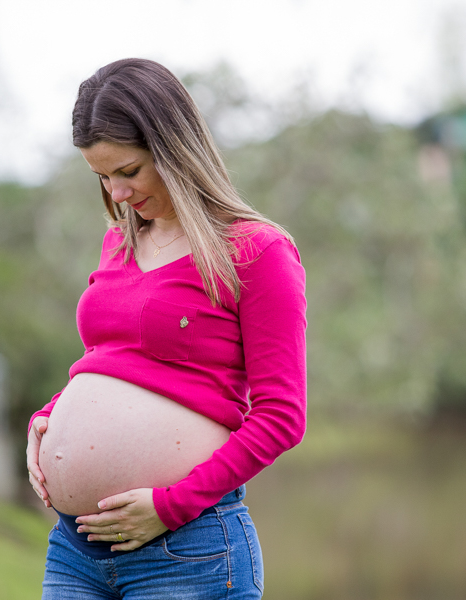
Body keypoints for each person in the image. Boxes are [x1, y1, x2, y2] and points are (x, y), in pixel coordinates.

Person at [25, 58, 307, 599]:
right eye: (102, 177)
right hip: (75, 549)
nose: (117, 193)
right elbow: (114, 364)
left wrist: (169, 506)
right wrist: (48, 418)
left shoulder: (256, 251)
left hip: (185, 551)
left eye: (128, 171)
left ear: (174, 149)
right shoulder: (120, 241)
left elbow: (281, 416)